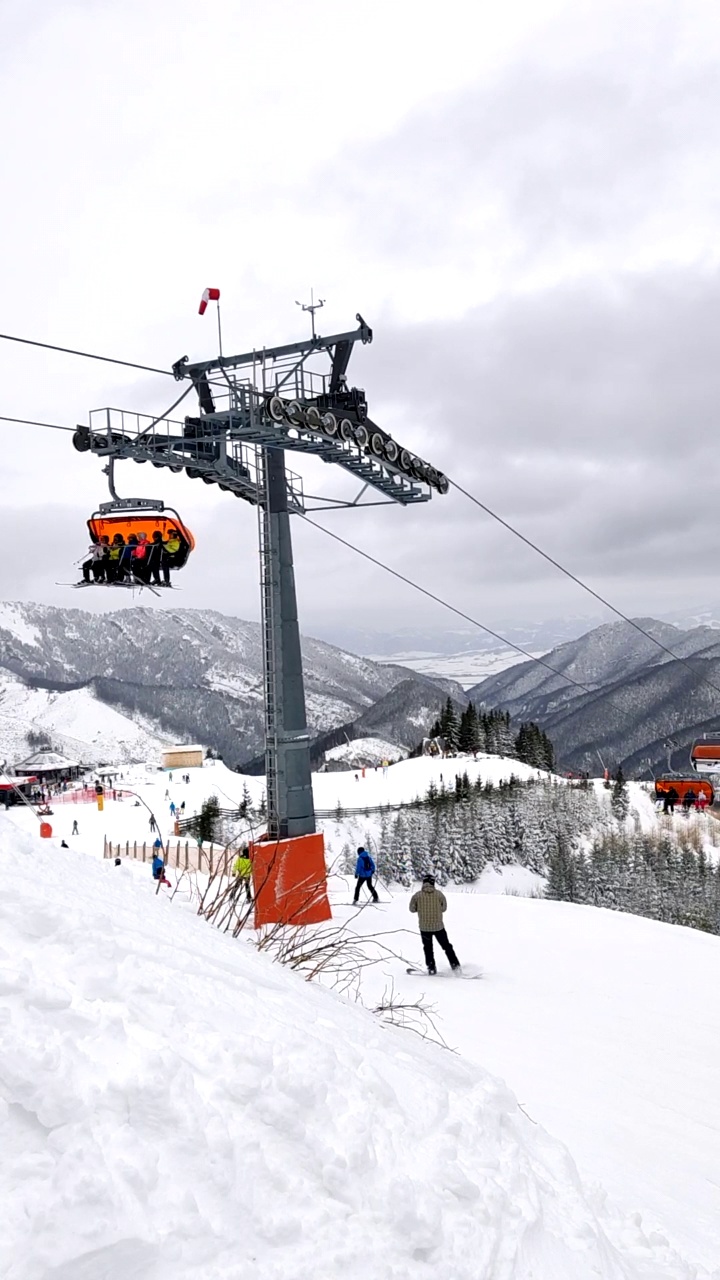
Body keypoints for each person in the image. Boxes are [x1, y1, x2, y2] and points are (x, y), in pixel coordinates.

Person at [409, 874, 460, 975]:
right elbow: (444, 908)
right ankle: (456, 966)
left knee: (428, 948)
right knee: (447, 947)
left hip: (424, 927)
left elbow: (412, 909)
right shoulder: (439, 894)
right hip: (438, 927)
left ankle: (431, 968)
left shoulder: (417, 895)